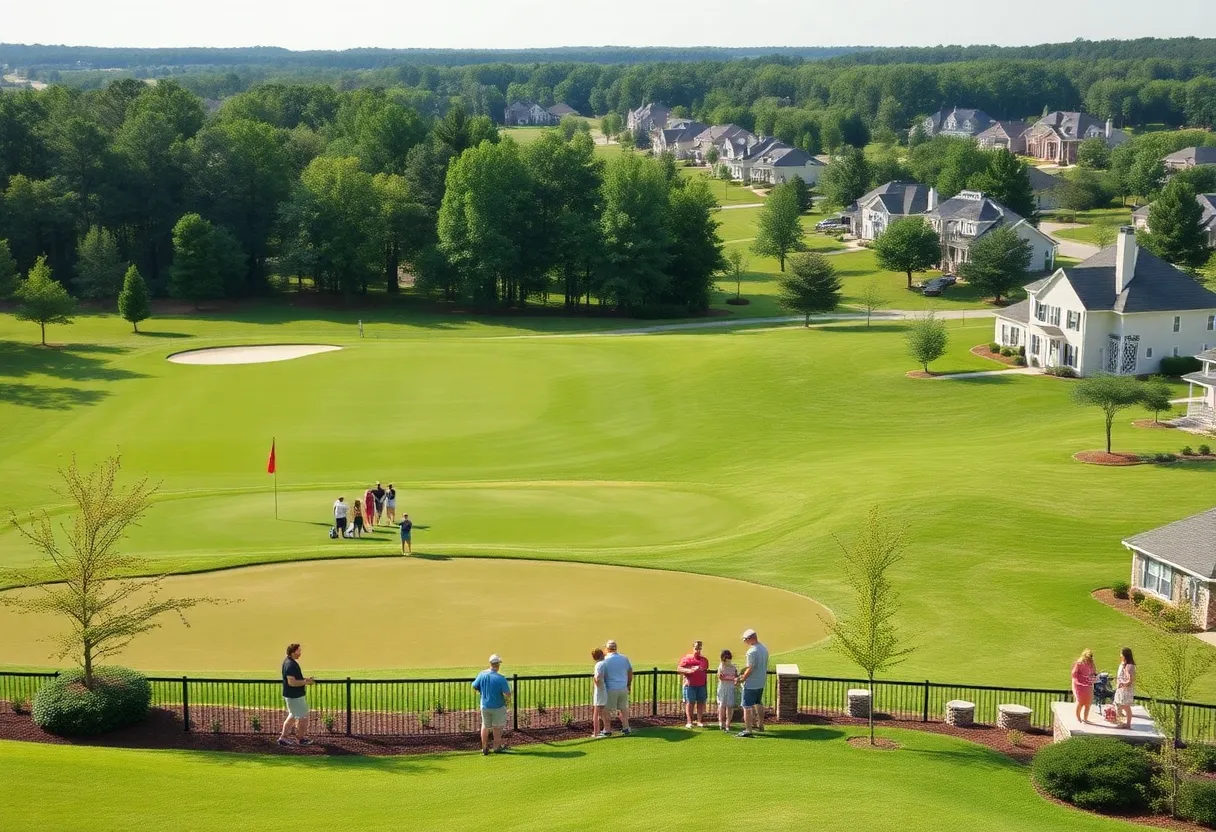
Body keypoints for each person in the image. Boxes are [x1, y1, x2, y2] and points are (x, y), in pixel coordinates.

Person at [472, 654, 512, 755]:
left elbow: (474, 686)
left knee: (485, 726)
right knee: (497, 727)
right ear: (498, 665)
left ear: (490, 664)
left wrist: (482, 691)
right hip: (498, 706)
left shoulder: (482, 674)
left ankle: (484, 748)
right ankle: (497, 747)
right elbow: (507, 694)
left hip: (485, 706)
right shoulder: (500, 678)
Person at [278, 643, 314, 746]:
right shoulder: (290, 664)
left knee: (292, 716)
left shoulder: (290, 662)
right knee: (303, 717)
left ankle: (283, 738)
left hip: (293, 696)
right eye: (298, 651)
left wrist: (305, 680)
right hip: (294, 696)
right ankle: (301, 739)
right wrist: (306, 682)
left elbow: (295, 680)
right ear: (293, 652)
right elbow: (292, 682)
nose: (300, 653)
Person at [736, 629, 769, 738]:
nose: (745, 642)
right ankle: (761, 725)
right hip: (761, 681)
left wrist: (742, 678)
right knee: (758, 703)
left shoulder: (752, 651)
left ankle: (748, 729)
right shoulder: (764, 648)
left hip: (751, 683)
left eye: (745, 639)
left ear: (750, 638)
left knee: (747, 706)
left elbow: (751, 668)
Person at [601, 639, 633, 735]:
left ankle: (607, 730)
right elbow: (630, 672)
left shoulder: (605, 660)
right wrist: (628, 684)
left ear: (607, 649)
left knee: (606, 710)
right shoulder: (624, 658)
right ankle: (626, 727)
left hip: (610, 688)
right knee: (623, 709)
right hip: (623, 687)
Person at [678, 640, 710, 729]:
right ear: (693, 648)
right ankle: (689, 722)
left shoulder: (704, 660)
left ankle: (699, 721)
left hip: (701, 685)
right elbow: (679, 668)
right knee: (690, 703)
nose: (698, 650)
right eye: (696, 648)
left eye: (699, 648)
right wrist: (689, 670)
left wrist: (699, 669)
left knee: (700, 702)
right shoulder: (686, 658)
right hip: (690, 685)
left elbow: (705, 668)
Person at [1071, 649, 1097, 724]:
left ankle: (1085, 719)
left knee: (1088, 703)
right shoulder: (1079, 664)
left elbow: (1094, 673)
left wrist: (1093, 678)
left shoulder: (1092, 664)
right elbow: (1074, 675)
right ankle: (1078, 718)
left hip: (1088, 685)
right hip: (1080, 686)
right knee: (1080, 702)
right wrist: (1078, 681)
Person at [716, 649, 739, 732]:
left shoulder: (734, 667)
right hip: (723, 687)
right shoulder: (721, 666)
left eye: (728, 657)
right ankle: (721, 723)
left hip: (730, 688)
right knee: (722, 706)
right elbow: (720, 677)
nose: (727, 658)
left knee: (729, 706)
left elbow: (736, 677)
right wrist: (733, 678)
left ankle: (727, 724)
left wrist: (735, 679)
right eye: (725, 657)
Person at [1114, 647, 1136, 729]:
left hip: (1125, 690)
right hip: (1120, 689)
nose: (1120, 655)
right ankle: (1121, 722)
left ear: (1125, 655)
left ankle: (1127, 724)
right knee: (1119, 705)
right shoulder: (1123, 664)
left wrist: (1123, 684)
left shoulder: (1129, 666)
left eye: (1121, 654)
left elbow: (1130, 680)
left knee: (1125, 706)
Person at [591, 647, 608, 737]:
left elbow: (597, 678)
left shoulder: (599, 665)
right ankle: (606, 729)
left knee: (596, 712)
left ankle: (596, 732)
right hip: (603, 689)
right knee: (603, 711)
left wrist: (596, 683)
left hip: (600, 690)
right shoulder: (604, 664)